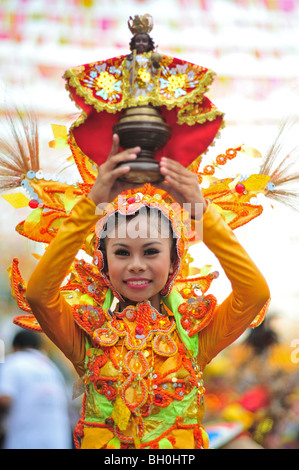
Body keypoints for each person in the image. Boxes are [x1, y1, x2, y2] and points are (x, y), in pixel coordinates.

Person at [24, 135, 270, 449]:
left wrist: (201, 211)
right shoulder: (88, 338)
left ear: (173, 263)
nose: (136, 265)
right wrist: (93, 204)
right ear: (103, 263)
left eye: (151, 252)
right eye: (122, 253)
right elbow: (39, 295)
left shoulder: (193, 340)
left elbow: (254, 293)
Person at [0, 330, 72, 449]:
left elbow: (5, 400)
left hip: (25, 440)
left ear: (16, 347)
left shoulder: (14, 362)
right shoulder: (51, 367)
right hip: (59, 441)